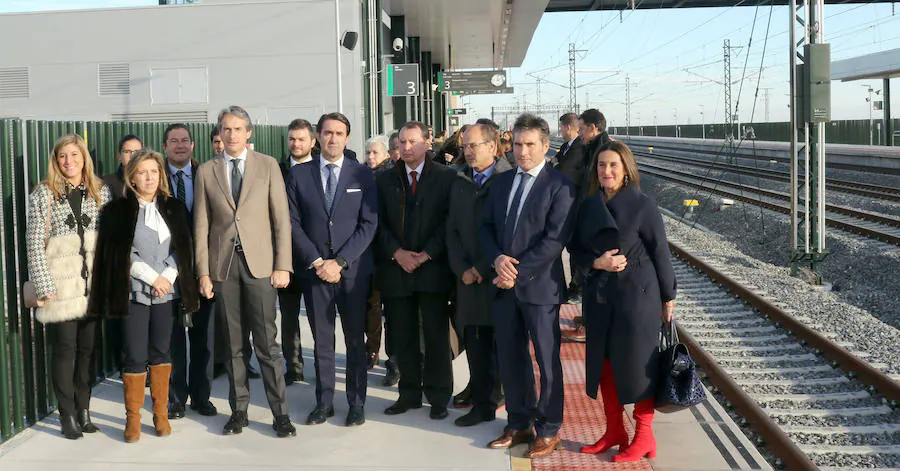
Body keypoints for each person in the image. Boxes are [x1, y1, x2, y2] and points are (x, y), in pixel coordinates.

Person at [570, 141, 677, 462]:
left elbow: (660, 251)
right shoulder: (588, 206)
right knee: (605, 366)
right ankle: (615, 429)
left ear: (626, 168)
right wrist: (596, 263)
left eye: (613, 165)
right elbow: (574, 249)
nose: (607, 171)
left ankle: (644, 435)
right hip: (600, 297)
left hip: (637, 299)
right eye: (601, 165)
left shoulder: (643, 205)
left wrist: (668, 297)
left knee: (638, 366)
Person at [193, 105, 296, 438]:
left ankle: (281, 414)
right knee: (234, 347)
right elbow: (201, 225)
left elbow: (281, 220)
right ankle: (239, 412)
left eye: (238, 129)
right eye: (226, 129)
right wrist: (203, 273)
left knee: (267, 344)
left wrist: (283, 265)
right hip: (224, 269)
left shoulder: (267, 166)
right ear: (219, 134)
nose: (232, 134)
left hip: (261, 267)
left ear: (248, 132)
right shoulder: (207, 172)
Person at [479, 114, 576, 458]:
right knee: (511, 357)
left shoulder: (561, 186)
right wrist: (496, 260)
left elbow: (554, 241)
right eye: (517, 144)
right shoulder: (502, 183)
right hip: (503, 287)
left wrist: (514, 271)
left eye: (529, 144)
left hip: (540, 289)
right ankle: (518, 422)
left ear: (545, 146)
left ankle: (548, 430)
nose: (522, 151)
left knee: (547, 363)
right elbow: (486, 227)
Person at [89, 148, 199, 442]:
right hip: (133, 291)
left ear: (160, 175)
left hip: (168, 291)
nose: (149, 177)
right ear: (132, 177)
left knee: (162, 352)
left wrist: (168, 277)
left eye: (154, 171)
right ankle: (133, 419)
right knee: (135, 355)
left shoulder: (175, 207)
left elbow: (185, 247)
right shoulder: (116, 210)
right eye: (142, 172)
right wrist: (151, 277)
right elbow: (119, 251)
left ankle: (161, 414)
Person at [286, 112, 377, 427]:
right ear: (317, 137)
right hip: (314, 272)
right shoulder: (299, 175)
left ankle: (356, 403)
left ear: (347, 137)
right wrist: (316, 261)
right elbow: (293, 223)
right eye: (327, 132)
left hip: (351, 272)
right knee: (322, 341)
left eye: (339, 133)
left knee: (354, 339)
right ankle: (323, 402)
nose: (333, 138)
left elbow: (369, 224)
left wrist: (339, 262)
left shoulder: (362, 174)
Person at [26, 134, 111, 439]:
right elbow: (34, 244)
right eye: (63, 156)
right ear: (56, 160)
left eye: (74, 155)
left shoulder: (100, 192)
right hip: (60, 286)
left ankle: (85, 410)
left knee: (88, 350)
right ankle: (67, 415)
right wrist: (45, 285)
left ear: (83, 157)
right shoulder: (43, 195)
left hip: (92, 286)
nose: (69, 161)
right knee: (65, 349)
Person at [375, 121, 457, 420]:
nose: (406, 148)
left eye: (412, 142)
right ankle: (408, 394)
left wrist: (426, 255)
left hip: (432, 269)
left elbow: (449, 222)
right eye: (401, 142)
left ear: (427, 142)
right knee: (403, 335)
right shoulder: (384, 179)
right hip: (397, 269)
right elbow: (377, 223)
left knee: (436, 336)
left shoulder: (446, 178)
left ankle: (438, 396)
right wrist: (397, 253)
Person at [446, 123, 512, 427]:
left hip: (497, 277)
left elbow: (509, 232)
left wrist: (482, 267)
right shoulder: (459, 180)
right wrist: (463, 269)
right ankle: (482, 403)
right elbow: (452, 230)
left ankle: (501, 399)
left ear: (492, 146)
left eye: (473, 146)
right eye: (465, 146)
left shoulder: (507, 179)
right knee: (475, 344)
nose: (468, 152)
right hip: (468, 281)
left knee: (501, 345)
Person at [159, 124, 219, 420]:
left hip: (201, 267)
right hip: (167, 268)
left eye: (184, 140)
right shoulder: (154, 178)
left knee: (203, 337)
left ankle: (201, 396)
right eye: (173, 141)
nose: (179, 145)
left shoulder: (206, 175)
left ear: (193, 146)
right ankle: (175, 398)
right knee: (172, 338)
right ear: (165, 146)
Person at [279, 118, 317, 385]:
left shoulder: (321, 171)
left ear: (312, 142)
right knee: (289, 316)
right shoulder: (277, 170)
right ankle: (293, 366)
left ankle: (323, 366)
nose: (296, 143)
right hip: (285, 257)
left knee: (318, 316)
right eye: (292, 138)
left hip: (315, 257)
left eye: (302, 139)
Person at [363, 134, 392, 371]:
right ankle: (371, 349)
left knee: (390, 309)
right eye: (368, 152)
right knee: (371, 306)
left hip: (389, 252)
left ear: (387, 154)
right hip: (366, 251)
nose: (371, 157)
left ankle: (394, 359)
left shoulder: (391, 177)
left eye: (375, 153)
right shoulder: (361, 175)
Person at [556, 112, 589, 308]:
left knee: (575, 247)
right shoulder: (566, 147)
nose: (559, 131)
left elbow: (562, 172)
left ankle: (577, 287)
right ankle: (574, 286)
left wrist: (557, 164)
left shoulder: (579, 147)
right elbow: (558, 164)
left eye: (561, 127)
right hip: (568, 205)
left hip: (576, 205)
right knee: (571, 246)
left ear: (568, 127)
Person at [577, 109, 612, 200]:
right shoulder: (591, 148)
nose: (579, 134)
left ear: (592, 128)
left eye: (581, 129)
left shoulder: (607, 151)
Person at [102, 134, 142, 200]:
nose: (132, 155)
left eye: (137, 152)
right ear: (119, 156)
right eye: (127, 152)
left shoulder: (150, 181)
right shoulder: (106, 183)